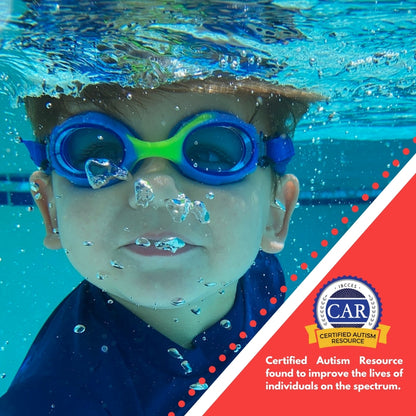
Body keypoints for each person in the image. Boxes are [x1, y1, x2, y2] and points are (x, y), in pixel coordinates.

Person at [0, 77, 319, 415]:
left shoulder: (260, 275)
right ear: (51, 210)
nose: (154, 192)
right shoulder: (53, 401)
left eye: (213, 153)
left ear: (274, 215)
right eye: (100, 154)